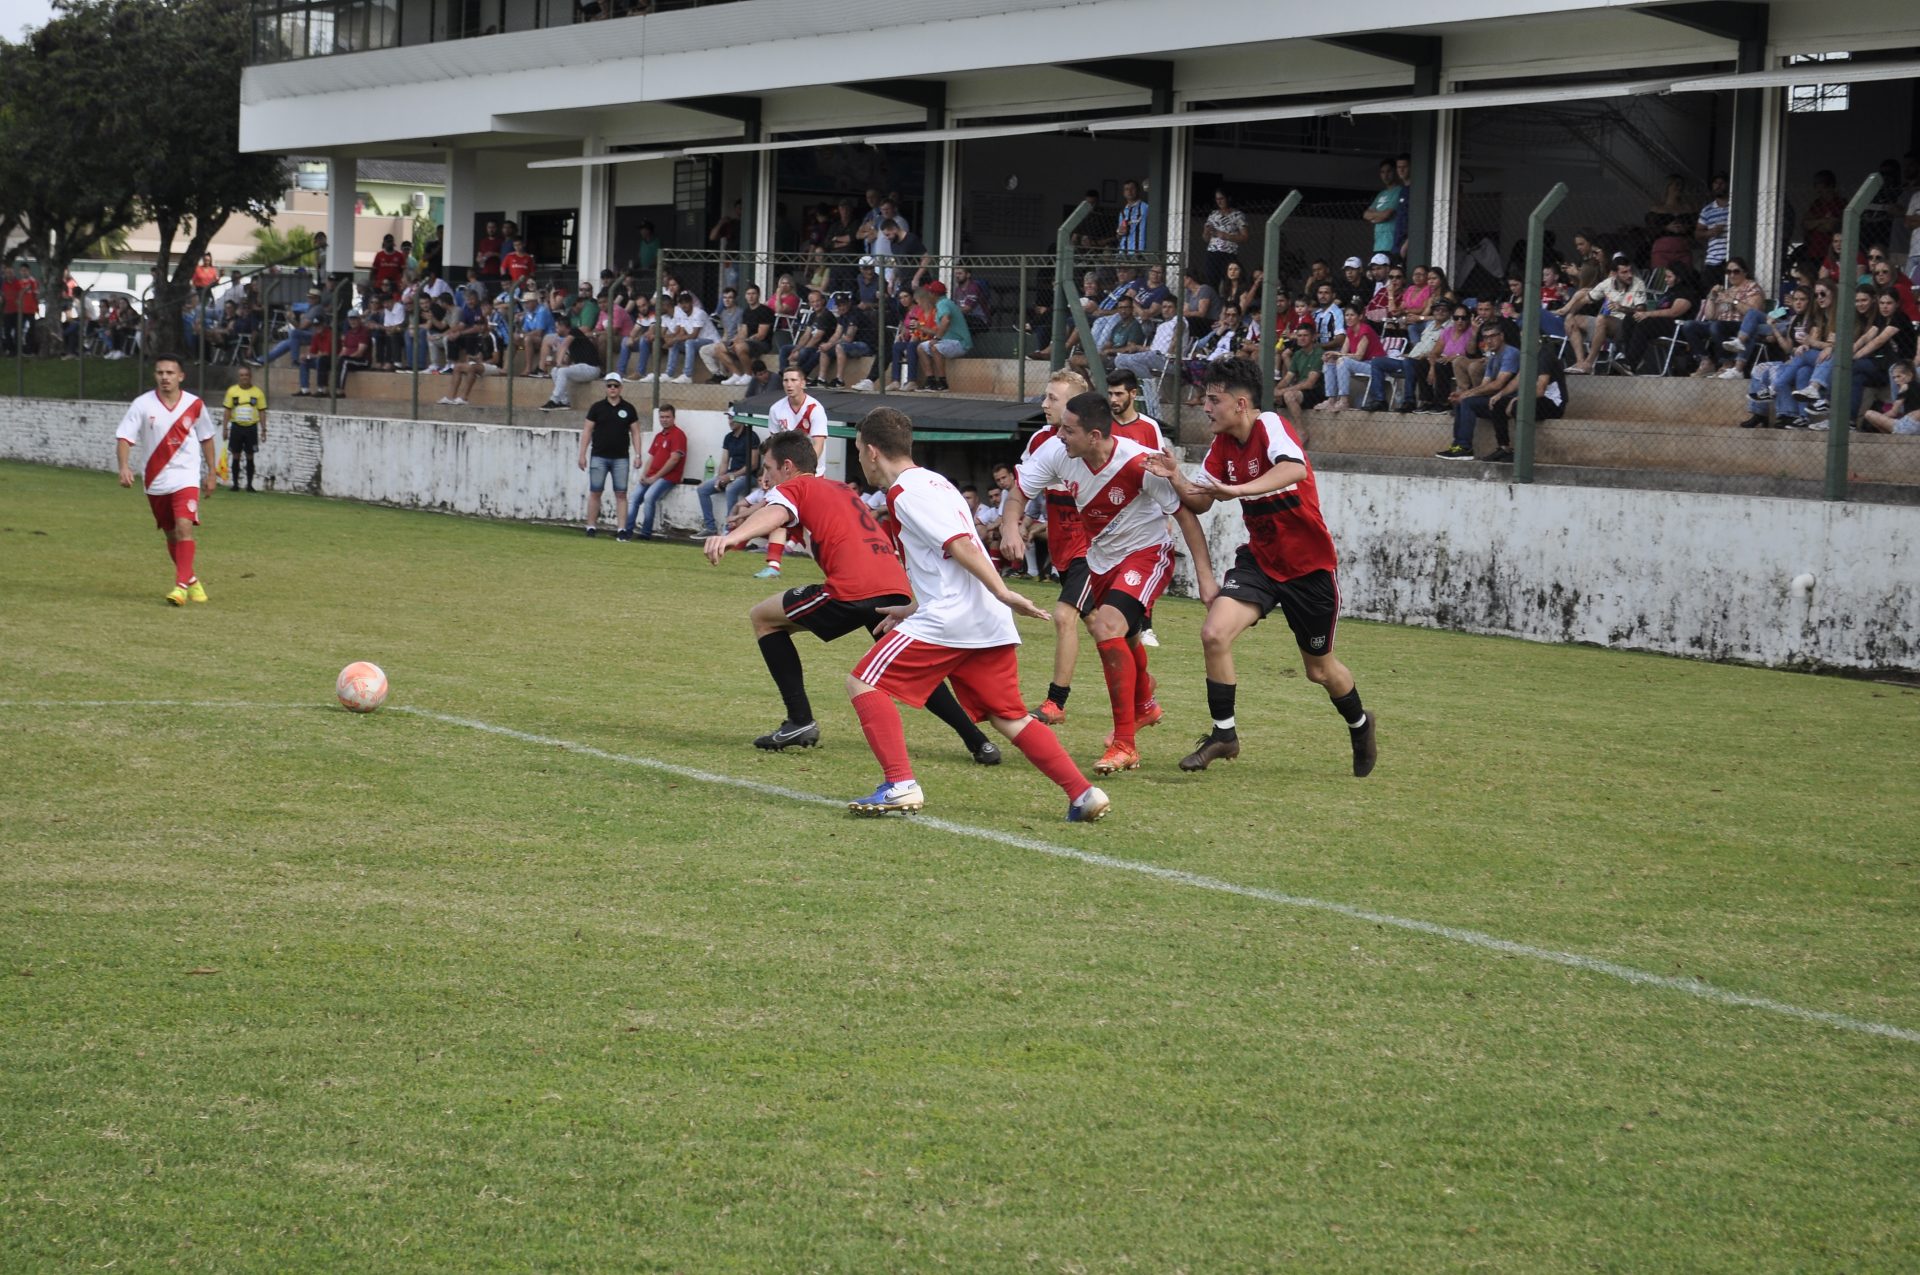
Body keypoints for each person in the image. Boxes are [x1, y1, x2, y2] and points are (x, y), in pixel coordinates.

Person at [832, 408, 1110, 820]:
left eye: (858, 450)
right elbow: (944, 562)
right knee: (1009, 716)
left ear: (872, 451)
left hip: (954, 617)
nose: (859, 459)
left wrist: (1003, 591)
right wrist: (913, 607)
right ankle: (1083, 793)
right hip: (983, 619)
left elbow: (960, 544)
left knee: (863, 683)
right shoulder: (935, 482)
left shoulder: (907, 493)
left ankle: (899, 784)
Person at [703, 428, 1005, 767]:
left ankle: (799, 721)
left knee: (763, 617)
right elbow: (780, 509)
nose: (766, 478)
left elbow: (777, 512)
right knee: (907, 668)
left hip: (852, 588)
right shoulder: (838, 488)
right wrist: (751, 513)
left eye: (769, 469)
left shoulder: (795, 487)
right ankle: (979, 742)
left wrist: (732, 538)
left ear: (788, 467)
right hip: (893, 585)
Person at [1143, 357, 1376, 777]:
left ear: (1241, 403)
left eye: (1213, 400)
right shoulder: (1221, 445)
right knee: (1214, 633)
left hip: (1309, 570)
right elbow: (1202, 501)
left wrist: (1238, 490)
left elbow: (1294, 468)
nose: (1205, 407)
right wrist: (1177, 477)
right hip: (1261, 562)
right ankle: (1224, 735)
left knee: (1319, 670)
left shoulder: (1270, 424)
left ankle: (1360, 724)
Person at [999, 392, 1212, 776]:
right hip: (1100, 561)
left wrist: (1205, 579)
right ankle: (1144, 704)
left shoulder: (1137, 462)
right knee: (1124, 640)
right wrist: (1010, 528)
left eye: (1069, 430)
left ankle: (1124, 744)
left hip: (1146, 554)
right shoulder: (1057, 451)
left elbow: (1186, 516)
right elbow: (1018, 493)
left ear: (1094, 435)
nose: (1059, 435)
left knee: (1106, 627)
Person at [1018, 369, 1094, 726]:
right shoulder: (1040, 441)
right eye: (1045, 396)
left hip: (1091, 548)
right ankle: (1144, 694)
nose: (1045, 404)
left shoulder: (1094, 442)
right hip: (1063, 548)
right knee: (1104, 628)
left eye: (1053, 398)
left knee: (1064, 617)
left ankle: (1055, 703)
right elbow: (1026, 487)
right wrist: (1020, 522)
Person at [116, 355, 217, 606]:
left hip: (186, 477)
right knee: (172, 535)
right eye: (160, 372)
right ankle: (191, 579)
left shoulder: (194, 404)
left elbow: (206, 437)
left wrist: (212, 472)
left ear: (181, 376)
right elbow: (124, 438)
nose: (165, 377)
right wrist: (124, 467)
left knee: (184, 527)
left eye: (170, 373)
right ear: (155, 375)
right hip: (156, 480)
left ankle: (180, 587)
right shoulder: (142, 404)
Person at [756, 368, 830, 578]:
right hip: (785, 475)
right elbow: (773, 447)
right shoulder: (776, 409)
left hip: (811, 474)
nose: (789, 384)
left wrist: (806, 470)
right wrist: (767, 473)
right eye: (786, 380)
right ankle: (773, 565)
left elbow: (818, 443)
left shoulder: (815, 408)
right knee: (778, 511)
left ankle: (834, 568)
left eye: (794, 380)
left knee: (815, 526)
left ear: (803, 383)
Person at [578, 373, 643, 538]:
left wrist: (638, 454)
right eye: (609, 385)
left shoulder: (629, 408)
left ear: (621, 388)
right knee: (595, 492)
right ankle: (591, 527)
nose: (612, 388)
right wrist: (582, 454)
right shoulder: (597, 408)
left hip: (621, 458)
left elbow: (635, 432)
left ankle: (621, 529)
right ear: (606, 388)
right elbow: (587, 431)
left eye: (615, 385)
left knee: (621, 493)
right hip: (599, 456)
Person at [697, 414, 759, 536]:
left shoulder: (751, 436)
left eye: (733, 418)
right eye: (729, 418)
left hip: (748, 476)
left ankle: (729, 528)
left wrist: (731, 477)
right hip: (732, 475)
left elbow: (753, 464)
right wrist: (720, 478)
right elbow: (724, 462)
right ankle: (710, 527)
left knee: (731, 488)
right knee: (702, 489)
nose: (731, 421)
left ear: (741, 419)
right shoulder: (728, 437)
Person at [538, 314, 603, 410]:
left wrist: (559, 363)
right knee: (555, 371)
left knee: (561, 370)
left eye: (557, 327)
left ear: (563, 326)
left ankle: (554, 400)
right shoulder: (571, 342)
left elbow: (564, 345)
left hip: (592, 368)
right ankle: (564, 401)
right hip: (582, 368)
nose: (556, 330)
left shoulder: (574, 331)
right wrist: (556, 363)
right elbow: (566, 361)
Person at [221, 364, 267, 492]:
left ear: (250, 376)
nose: (244, 377)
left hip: (251, 428)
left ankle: (250, 485)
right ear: (239, 377)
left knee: (250, 456)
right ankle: (235, 484)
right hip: (237, 427)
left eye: (246, 375)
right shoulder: (232, 391)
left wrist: (264, 430)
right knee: (236, 455)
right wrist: (225, 428)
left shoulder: (258, 392)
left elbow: (262, 412)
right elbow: (227, 411)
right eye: (241, 375)